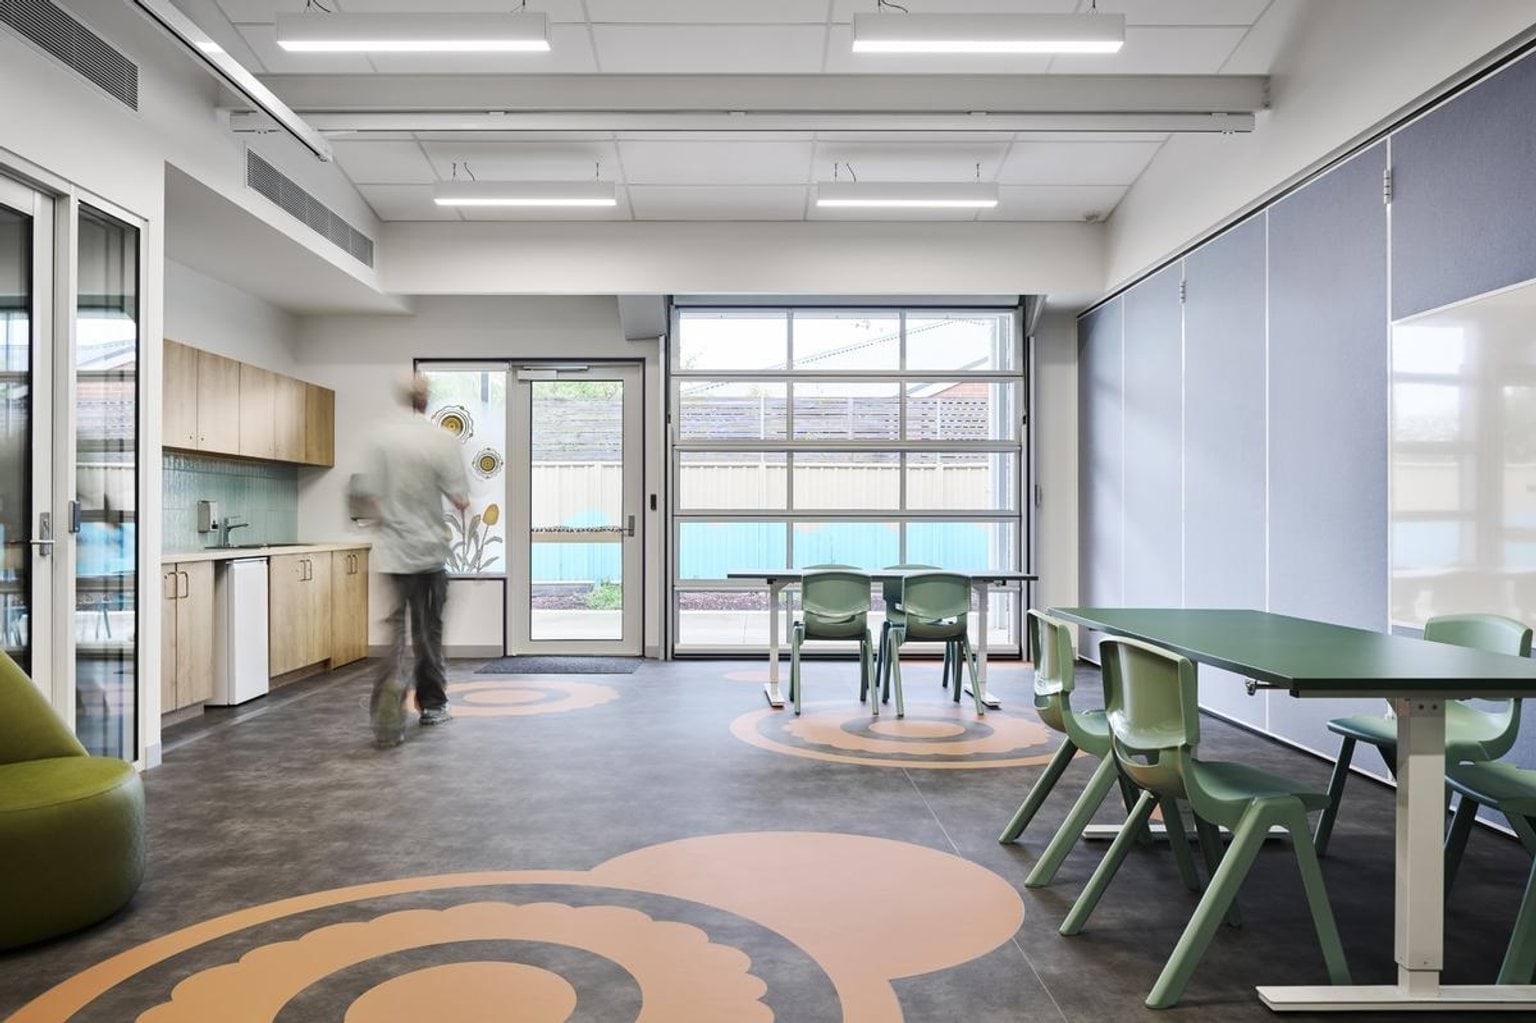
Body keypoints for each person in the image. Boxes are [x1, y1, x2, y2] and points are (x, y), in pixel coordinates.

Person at [356, 374, 470, 747]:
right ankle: (433, 705)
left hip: (392, 553)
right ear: (427, 399)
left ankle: (389, 703)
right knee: (428, 633)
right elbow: (459, 497)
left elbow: (369, 498)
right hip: (428, 553)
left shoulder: (382, 438)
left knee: (394, 635)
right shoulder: (441, 440)